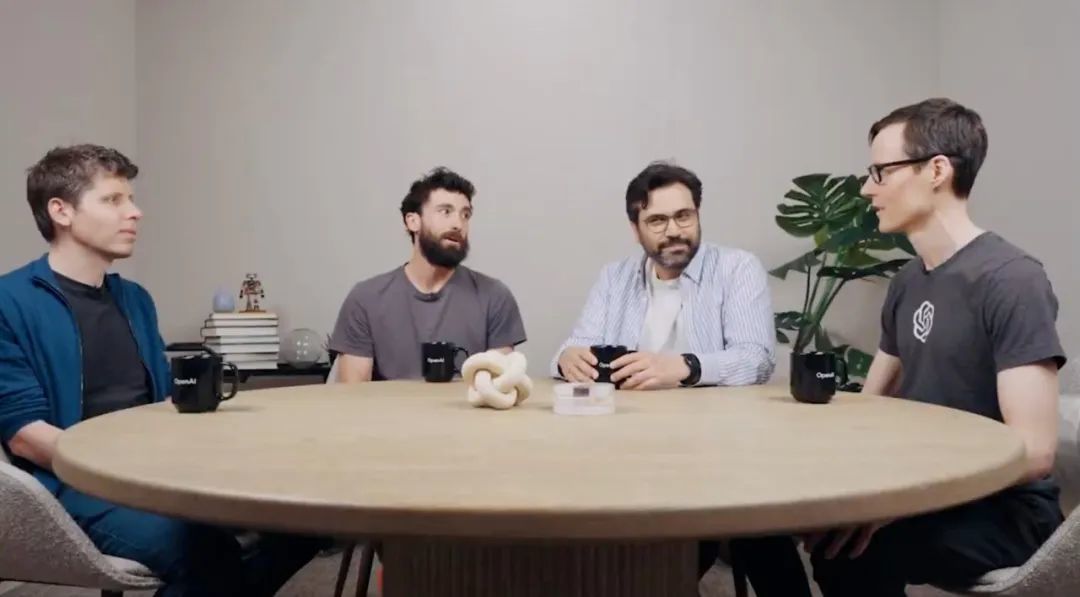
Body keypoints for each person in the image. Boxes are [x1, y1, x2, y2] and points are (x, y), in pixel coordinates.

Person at [0, 144, 323, 597]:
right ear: (61, 211)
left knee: (305, 519)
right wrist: (125, 470)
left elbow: (165, 401)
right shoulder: (10, 301)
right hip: (75, 487)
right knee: (205, 554)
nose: (135, 212)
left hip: (156, 473)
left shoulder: (135, 299)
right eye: (113, 200)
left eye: (131, 200)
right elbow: (25, 434)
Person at [805, 98, 1066, 596]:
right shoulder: (908, 281)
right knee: (824, 531)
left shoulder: (1012, 280)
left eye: (881, 172)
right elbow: (874, 404)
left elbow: (1034, 453)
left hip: (1005, 511)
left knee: (854, 548)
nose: (867, 188)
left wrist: (904, 503)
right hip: (932, 493)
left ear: (937, 171)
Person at [551, 161, 811, 596]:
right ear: (635, 229)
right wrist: (566, 359)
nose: (674, 231)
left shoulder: (736, 268)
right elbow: (574, 344)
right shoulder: (615, 278)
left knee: (756, 526)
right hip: (627, 449)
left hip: (720, 448)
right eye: (657, 220)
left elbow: (758, 358)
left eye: (683, 216)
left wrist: (686, 367)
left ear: (698, 213)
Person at [330, 167, 526, 381]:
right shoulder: (365, 299)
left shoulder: (494, 296)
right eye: (445, 211)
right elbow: (354, 394)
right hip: (389, 405)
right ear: (412, 221)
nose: (458, 224)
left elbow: (498, 389)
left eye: (465, 215)